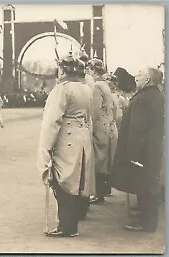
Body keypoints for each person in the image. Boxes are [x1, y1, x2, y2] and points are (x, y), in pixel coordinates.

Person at [38, 52, 95, 237]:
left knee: (62, 181)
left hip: (66, 139)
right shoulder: (85, 88)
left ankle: (66, 226)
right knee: (77, 179)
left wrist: (45, 150)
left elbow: (51, 122)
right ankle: (71, 224)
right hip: (83, 137)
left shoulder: (61, 90)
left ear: (62, 69)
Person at [110, 68, 164, 232]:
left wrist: (133, 154)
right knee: (149, 183)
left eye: (139, 75)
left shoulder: (142, 99)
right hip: (152, 149)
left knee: (145, 185)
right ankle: (146, 217)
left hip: (142, 152)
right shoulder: (156, 96)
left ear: (147, 80)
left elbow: (137, 129)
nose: (136, 78)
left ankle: (146, 222)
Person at [86, 58, 117, 204]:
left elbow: (95, 110)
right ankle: (103, 192)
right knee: (104, 160)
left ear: (93, 70)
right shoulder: (105, 84)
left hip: (100, 126)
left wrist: (89, 125)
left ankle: (99, 194)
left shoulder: (97, 85)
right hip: (108, 125)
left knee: (98, 161)